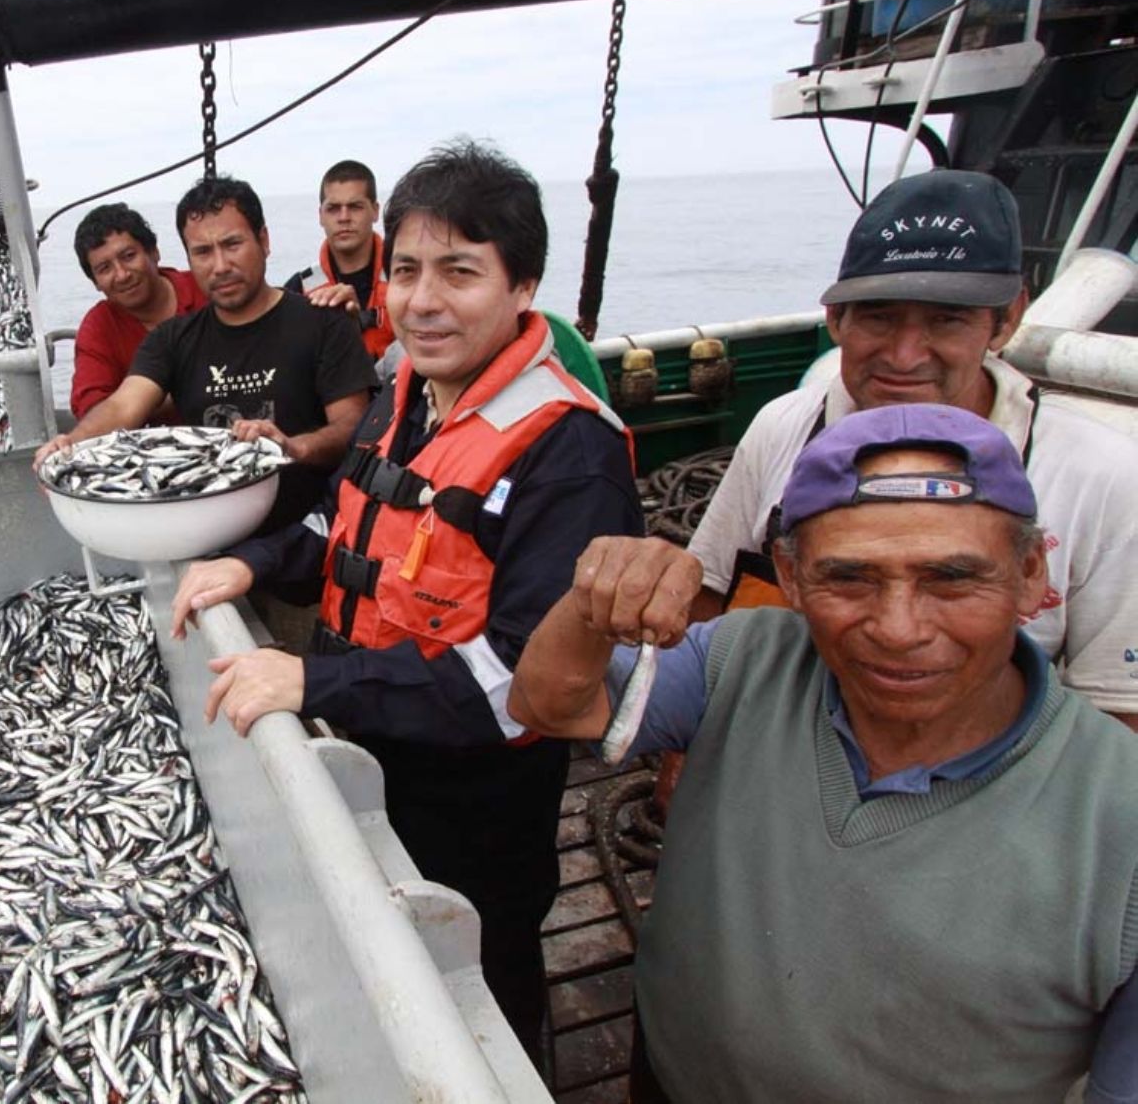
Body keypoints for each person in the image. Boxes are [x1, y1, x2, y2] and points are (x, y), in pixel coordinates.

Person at [509, 403, 1138, 1104]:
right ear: (792, 575)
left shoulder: (1122, 817)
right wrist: (593, 601)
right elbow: (550, 703)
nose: (899, 628)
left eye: (952, 578)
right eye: (850, 579)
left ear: (1030, 574)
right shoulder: (741, 658)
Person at [169, 141, 642, 1072]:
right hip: (375, 752)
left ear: (522, 286)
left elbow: (514, 682)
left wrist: (309, 673)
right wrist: (250, 563)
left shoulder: (571, 453)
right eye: (410, 270)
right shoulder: (405, 395)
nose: (423, 300)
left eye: (460, 272)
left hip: (476, 799)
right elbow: (342, 530)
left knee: (481, 988)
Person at [687, 168, 1138, 720]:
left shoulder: (1107, 478)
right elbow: (709, 601)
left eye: (946, 321)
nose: (904, 357)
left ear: (1008, 319)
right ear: (834, 318)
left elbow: (1119, 715)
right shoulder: (782, 424)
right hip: (772, 745)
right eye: (878, 317)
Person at [35, 176, 376, 534]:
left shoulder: (325, 322)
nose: (220, 265)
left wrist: (293, 447)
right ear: (188, 259)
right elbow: (122, 406)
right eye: (202, 252)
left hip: (309, 532)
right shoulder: (171, 339)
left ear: (264, 241)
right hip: (207, 537)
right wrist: (71, 443)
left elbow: (352, 427)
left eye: (232, 244)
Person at [68, 203, 207, 421]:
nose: (122, 275)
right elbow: (91, 411)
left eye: (128, 256)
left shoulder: (206, 288)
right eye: (105, 268)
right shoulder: (99, 326)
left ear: (154, 252)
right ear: (95, 283)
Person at [285, 160, 396, 359]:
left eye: (355, 207)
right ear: (320, 215)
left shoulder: (406, 277)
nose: (344, 217)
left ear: (375, 211)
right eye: (333, 208)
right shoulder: (297, 290)